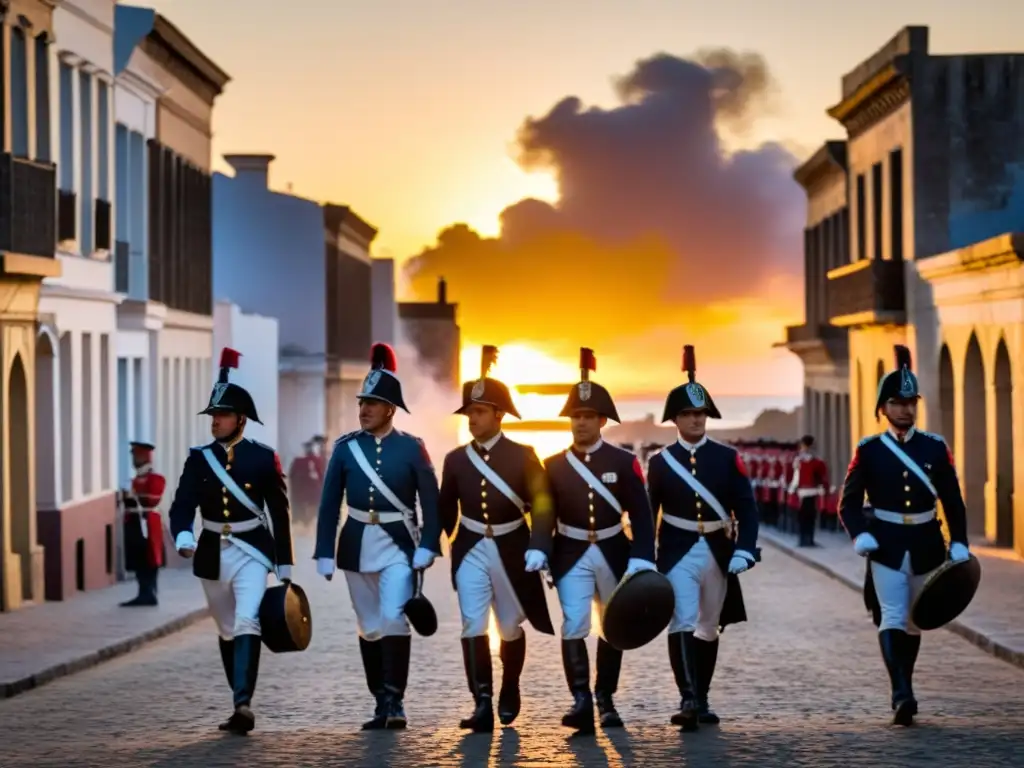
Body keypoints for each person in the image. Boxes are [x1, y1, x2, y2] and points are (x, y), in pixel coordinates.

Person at [838, 344, 969, 727]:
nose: (906, 409)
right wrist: (859, 534)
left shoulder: (934, 447)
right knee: (892, 615)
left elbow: (953, 500)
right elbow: (847, 504)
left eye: (911, 402)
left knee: (914, 620)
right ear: (883, 407)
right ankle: (901, 692)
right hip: (886, 544)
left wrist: (959, 541)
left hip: (927, 541)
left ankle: (905, 683)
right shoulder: (869, 450)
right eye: (897, 402)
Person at [314, 342, 441, 730]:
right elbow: (329, 502)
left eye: (372, 403)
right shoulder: (345, 449)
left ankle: (395, 701)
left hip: (399, 547)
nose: (364, 410)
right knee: (368, 624)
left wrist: (428, 546)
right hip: (355, 545)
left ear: (390, 408)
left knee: (392, 618)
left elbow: (431, 504)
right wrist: (324, 550)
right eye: (361, 403)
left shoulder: (413, 448)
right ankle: (379, 701)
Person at [168, 348, 295, 735]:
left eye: (221, 415)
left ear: (241, 419)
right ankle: (236, 698)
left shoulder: (263, 458)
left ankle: (244, 704)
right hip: (211, 551)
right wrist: (185, 535)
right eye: (212, 415)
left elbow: (279, 511)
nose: (215, 421)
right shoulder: (198, 459)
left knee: (246, 620)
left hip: (252, 550)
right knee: (225, 628)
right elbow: (182, 504)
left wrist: (284, 566)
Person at [438, 344, 555, 733]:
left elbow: (542, 505)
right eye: (470, 411)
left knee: (508, 627)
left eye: (480, 411)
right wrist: (424, 544)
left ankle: (510, 685)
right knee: (472, 623)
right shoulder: (455, 460)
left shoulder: (524, 455)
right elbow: (445, 510)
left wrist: (540, 544)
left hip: (513, 548)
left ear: (499, 414)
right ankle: (482, 703)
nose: (473, 418)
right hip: (470, 547)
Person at [544, 347, 658, 733]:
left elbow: (641, 514)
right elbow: (545, 515)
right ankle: (580, 701)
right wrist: (539, 551)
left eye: (588, 416)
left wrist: (643, 556)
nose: (580, 423)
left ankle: (605, 698)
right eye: (575, 416)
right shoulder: (553, 465)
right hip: (571, 553)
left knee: (611, 627)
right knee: (574, 622)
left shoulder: (623, 462)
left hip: (613, 552)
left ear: (602, 420)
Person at [647, 345, 760, 731]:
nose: (695, 420)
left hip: (717, 549)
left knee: (709, 625)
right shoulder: (659, 462)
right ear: (674, 419)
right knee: (680, 620)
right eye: (687, 414)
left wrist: (745, 550)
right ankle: (688, 697)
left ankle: (704, 696)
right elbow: (649, 514)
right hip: (677, 551)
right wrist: (643, 558)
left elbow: (747, 507)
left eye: (700, 413)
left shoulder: (728, 458)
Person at [119, 440, 166, 607]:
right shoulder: (135, 479)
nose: (134, 460)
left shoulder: (155, 478)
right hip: (134, 522)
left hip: (148, 523)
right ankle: (142, 592)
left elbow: (152, 499)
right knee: (138, 558)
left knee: (149, 558)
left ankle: (149, 592)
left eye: (137, 455)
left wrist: (132, 498)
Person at [789, 435, 829, 547]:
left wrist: (792, 489)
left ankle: (806, 539)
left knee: (807, 517)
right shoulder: (803, 461)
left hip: (809, 491)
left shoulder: (807, 461)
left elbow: (821, 476)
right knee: (806, 517)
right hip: (806, 492)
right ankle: (805, 539)